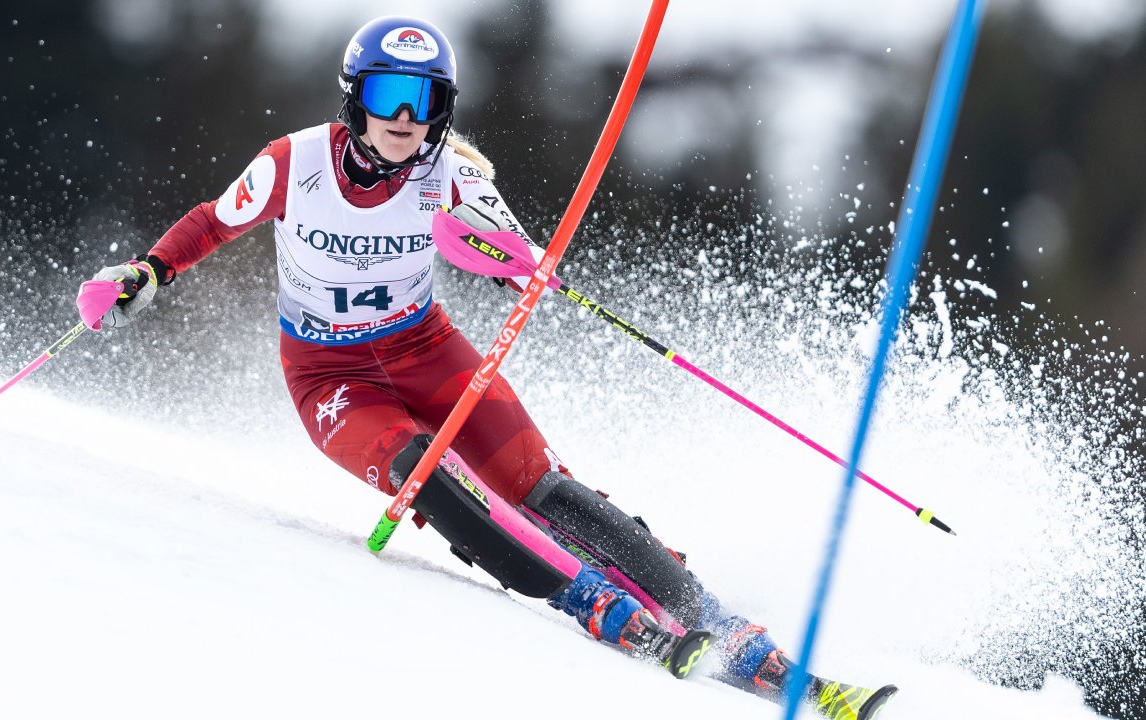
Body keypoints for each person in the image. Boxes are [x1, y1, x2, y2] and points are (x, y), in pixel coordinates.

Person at [88, 15, 895, 720]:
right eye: (388, 96)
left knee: (541, 486)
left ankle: (721, 625)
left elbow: (505, 244)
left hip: (424, 350)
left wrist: (520, 264)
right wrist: (145, 273)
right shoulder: (291, 163)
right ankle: (590, 599)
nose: (405, 119)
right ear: (355, 98)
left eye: (425, 100)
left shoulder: (452, 172)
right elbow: (211, 222)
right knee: (424, 469)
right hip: (329, 377)